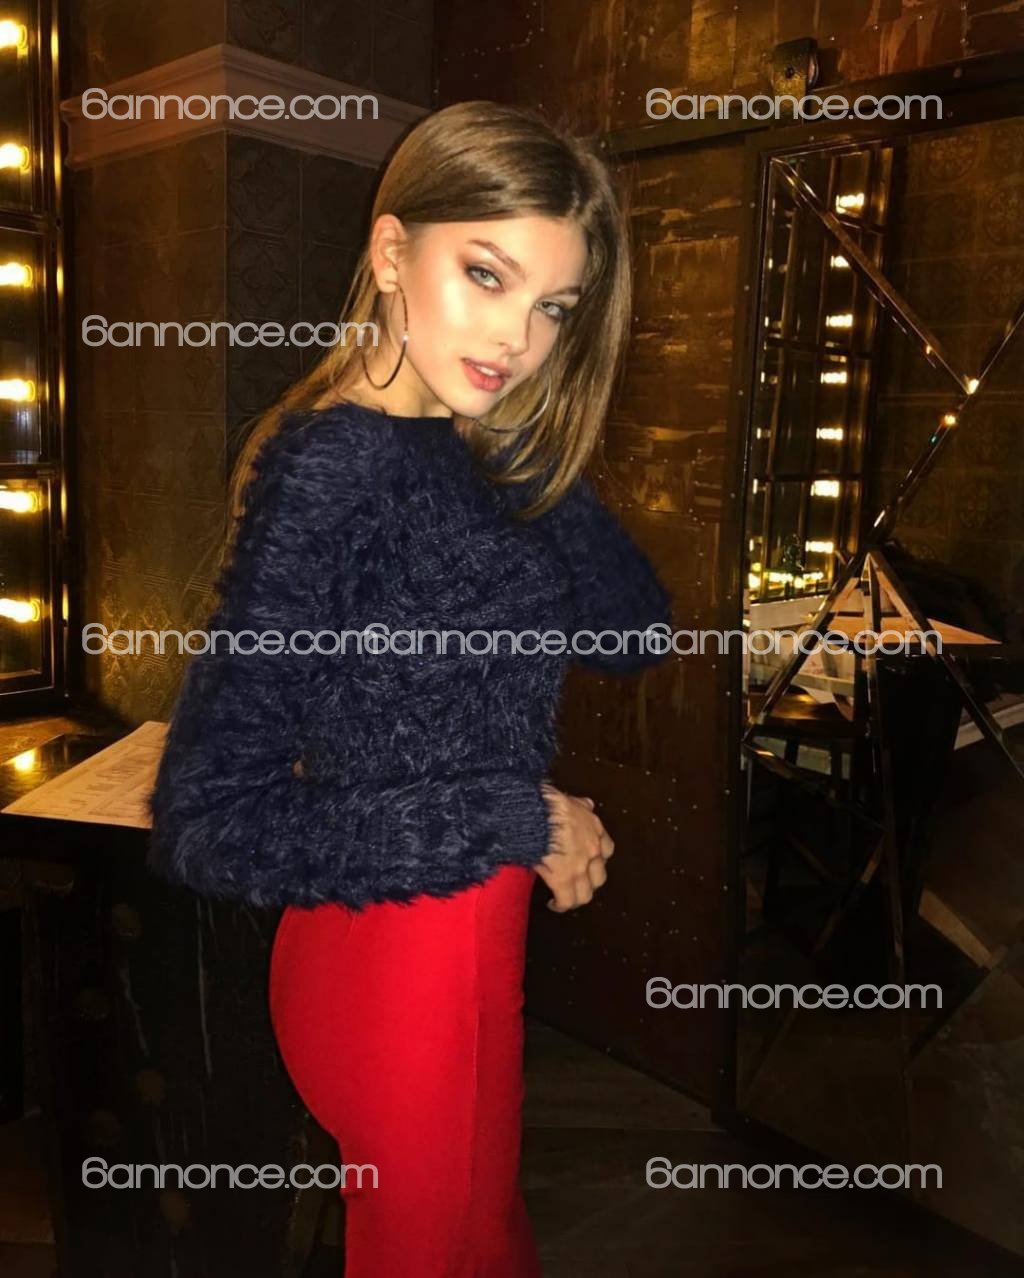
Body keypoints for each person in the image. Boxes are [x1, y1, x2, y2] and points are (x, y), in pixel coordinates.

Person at [147, 98, 673, 1277]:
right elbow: (208, 820)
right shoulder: (328, 470)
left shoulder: (466, 445)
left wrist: (526, 451)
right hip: (386, 958)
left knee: (486, 1246)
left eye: (554, 307)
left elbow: (634, 630)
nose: (518, 336)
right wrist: (513, 815)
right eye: (485, 275)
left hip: (473, 937)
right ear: (391, 253)